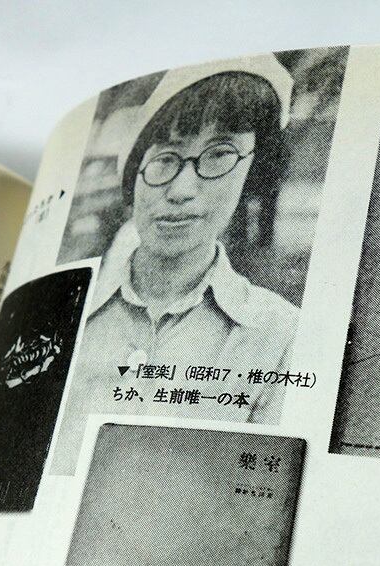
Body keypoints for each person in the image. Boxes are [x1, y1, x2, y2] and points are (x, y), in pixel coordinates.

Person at [51, 55, 300, 474]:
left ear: (253, 172)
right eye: (165, 158)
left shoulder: (282, 336)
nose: (182, 190)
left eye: (219, 155)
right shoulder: (63, 313)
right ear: (134, 175)